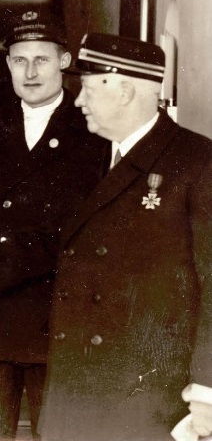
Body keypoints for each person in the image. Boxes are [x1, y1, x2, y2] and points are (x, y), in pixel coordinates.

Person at [38, 33, 212, 441]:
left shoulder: (197, 162)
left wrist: (205, 393)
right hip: (75, 389)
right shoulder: (91, 156)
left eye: (86, 89)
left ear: (125, 90)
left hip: (146, 399)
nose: (78, 101)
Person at [0, 9, 107, 440]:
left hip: (58, 318)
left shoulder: (94, 130)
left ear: (64, 61)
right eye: (20, 60)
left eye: (41, 59)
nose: (30, 71)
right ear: (8, 66)